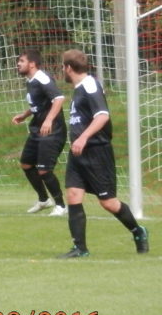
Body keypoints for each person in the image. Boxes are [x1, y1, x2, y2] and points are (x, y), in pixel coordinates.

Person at [57, 49, 148, 258]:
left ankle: (138, 231)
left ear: (69, 68)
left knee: (108, 202)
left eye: (63, 66)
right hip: (78, 153)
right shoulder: (80, 87)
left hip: (97, 152)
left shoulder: (89, 85)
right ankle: (80, 248)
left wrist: (83, 137)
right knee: (73, 194)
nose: (63, 70)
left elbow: (102, 116)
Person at [11, 49, 66, 217]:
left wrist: (49, 120)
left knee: (44, 170)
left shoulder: (42, 78)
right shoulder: (31, 80)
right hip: (37, 129)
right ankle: (44, 200)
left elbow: (59, 98)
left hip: (52, 131)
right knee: (26, 164)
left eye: (21, 61)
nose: (18, 64)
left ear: (32, 63)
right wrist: (24, 115)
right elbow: (39, 103)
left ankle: (61, 206)